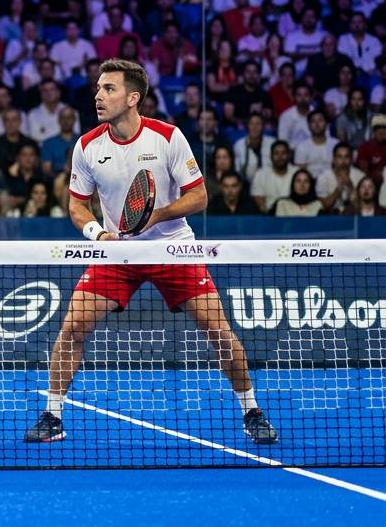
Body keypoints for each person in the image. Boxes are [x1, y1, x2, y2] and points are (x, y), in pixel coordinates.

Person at [24, 58, 277, 446]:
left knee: (219, 331)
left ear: (133, 97)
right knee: (73, 327)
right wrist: (97, 234)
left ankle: (251, 410)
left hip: (171, 247)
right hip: (116, 253)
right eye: (98, 88)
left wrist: (156, 215)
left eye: (108, 88)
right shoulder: (88, 146)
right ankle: (53, 416)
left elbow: (199, 196)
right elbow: (77, 204)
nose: (99, 95)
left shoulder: (167, 137)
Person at [316, 143, 364, 214]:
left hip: (353, 216)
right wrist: (338, 191)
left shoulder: (360, 176)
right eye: (339, 157)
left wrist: (350, 187)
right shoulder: (323, 177)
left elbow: (362, 207)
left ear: (351, 159)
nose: (343, 161)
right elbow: (324, 206)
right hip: (330, 216)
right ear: (333, 159)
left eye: (346, 157)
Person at [250, 141, 295, 213]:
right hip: (268, 217)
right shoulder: (261, 175)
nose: (280, 157)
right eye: (276, 153)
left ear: (289, 155)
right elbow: (260, 203)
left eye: (283, 153)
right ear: (271, 156)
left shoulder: (296, 173)